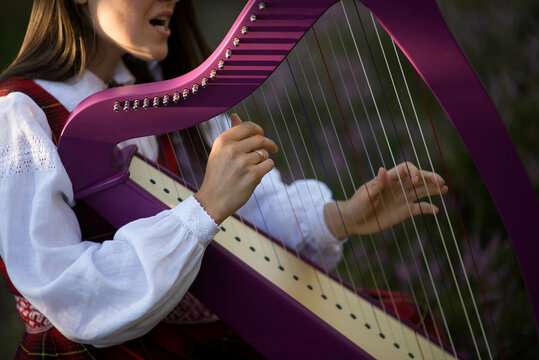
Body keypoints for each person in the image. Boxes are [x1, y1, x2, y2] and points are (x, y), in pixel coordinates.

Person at [0, 0, 448, 359]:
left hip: (192, 332)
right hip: (99, 349)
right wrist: (204, 207)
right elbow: (62, 289)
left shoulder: (167, 90)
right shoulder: (21, 114)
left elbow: (250, 227)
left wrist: (341, 217)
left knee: (404, 324)